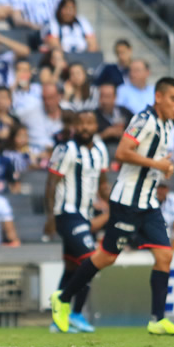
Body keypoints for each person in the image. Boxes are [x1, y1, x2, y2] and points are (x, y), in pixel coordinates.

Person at [51, 77, 174, 336]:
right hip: (126, 201)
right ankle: (63, 298)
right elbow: (123, 153)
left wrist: (164, 166)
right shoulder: (143, 119)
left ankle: (157, 319)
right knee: (106, 257)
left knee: (165, 256)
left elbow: (152, 160)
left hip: (148, 202)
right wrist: (157, 164)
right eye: (173, 99)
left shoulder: (168, 124)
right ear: (158, 97)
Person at [45, 111, 109, 333]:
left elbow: (102, 183)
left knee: (73, 267)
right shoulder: (66, 149)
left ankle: (57, 322)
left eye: (89, 123)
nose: (85, 127)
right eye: (80, 123)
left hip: (85, 215)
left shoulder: (101, 150)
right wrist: (50, 217)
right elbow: (51, 183)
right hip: (67, 214)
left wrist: (113, 205)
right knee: (91, 260)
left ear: (96, 126)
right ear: (74, 126)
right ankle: (74, 311)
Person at [19, 82, 64, 155]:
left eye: (51, 98)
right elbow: (14, 120)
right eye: (44, 98)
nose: (48, 102)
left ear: (59, 96)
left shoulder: (69, 114)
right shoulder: (29, 114)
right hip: (36, 157)